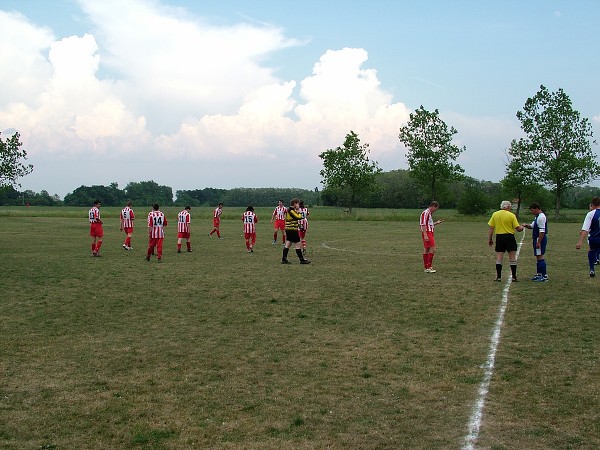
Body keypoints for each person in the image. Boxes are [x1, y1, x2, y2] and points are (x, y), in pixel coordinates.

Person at [488, 200, 525, 282]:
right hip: (509, 237)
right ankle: (514, 277)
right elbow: (518, 229)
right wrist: (522, 227)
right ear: (508, 207)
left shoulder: (495, 214)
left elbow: (491, 228)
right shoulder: (511, 215)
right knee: (512, 257)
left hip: (499, 237)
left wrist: (490, 239)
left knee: (499, 258)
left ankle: (498, 277)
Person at [521, 202, 548, 281]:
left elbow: (542, 231)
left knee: (540, 256)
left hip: (539, 238)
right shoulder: (537, 217)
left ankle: (544, 276)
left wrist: (539, 242)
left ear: (537, 209)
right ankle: (539, 274)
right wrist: (526, 225)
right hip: (536, 238)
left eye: (532, 210)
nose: (531, 212)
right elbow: (532, 226)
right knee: (538, 256)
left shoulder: (541, 217)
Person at [575, 196, 600, 277]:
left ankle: (592, 269)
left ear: (592, 204)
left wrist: (580, 241)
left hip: (594, 238)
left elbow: (585, 229)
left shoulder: (590, 214)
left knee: (591, 251)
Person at [281, 198, 311, 264]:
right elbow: (298, 217)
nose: (298, 205)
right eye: (297, 203)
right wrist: (299, 211)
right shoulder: (290, 210)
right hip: (292, 230)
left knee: (288, 244)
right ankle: (302, 260)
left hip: (289, 229)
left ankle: (284, 259)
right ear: (294, 204)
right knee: (297, 244)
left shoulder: (291, 210)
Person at [420, 201, 443, 273]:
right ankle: (429, 267)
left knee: (427, 248)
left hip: (429, 231)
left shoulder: (429, 213)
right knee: (433, 248)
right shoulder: (426, 213)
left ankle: (426, 267)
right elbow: (423, 224)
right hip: (427, 232)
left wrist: (436, 223)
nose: (436, 210)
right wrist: (425, 234)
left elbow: (429, 224)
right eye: (436, 208)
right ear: (433, 206)